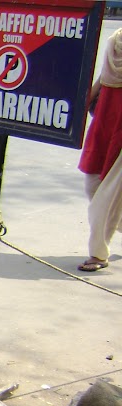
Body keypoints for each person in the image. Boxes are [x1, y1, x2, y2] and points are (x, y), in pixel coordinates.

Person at [77, 28, 122, 272]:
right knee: (93, 184)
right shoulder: (116, 38)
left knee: (105, 196)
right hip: (104, 122)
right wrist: (84, 101)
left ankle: (98, 253)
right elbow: (105, 76)